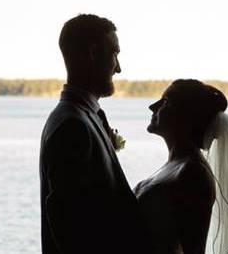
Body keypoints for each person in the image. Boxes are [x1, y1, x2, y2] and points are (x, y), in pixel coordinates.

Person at [135, 79, 228, 254]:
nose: (153, 106)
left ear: (185, 115)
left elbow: (194, 249)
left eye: (165, 102)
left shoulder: (193, 173)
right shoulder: (173, 166)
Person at [39, 14, 149, 254]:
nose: (118, 68)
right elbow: (69, 225)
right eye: (114, 54)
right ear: (92, 54)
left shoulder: (79, 116)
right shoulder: (72, 126)